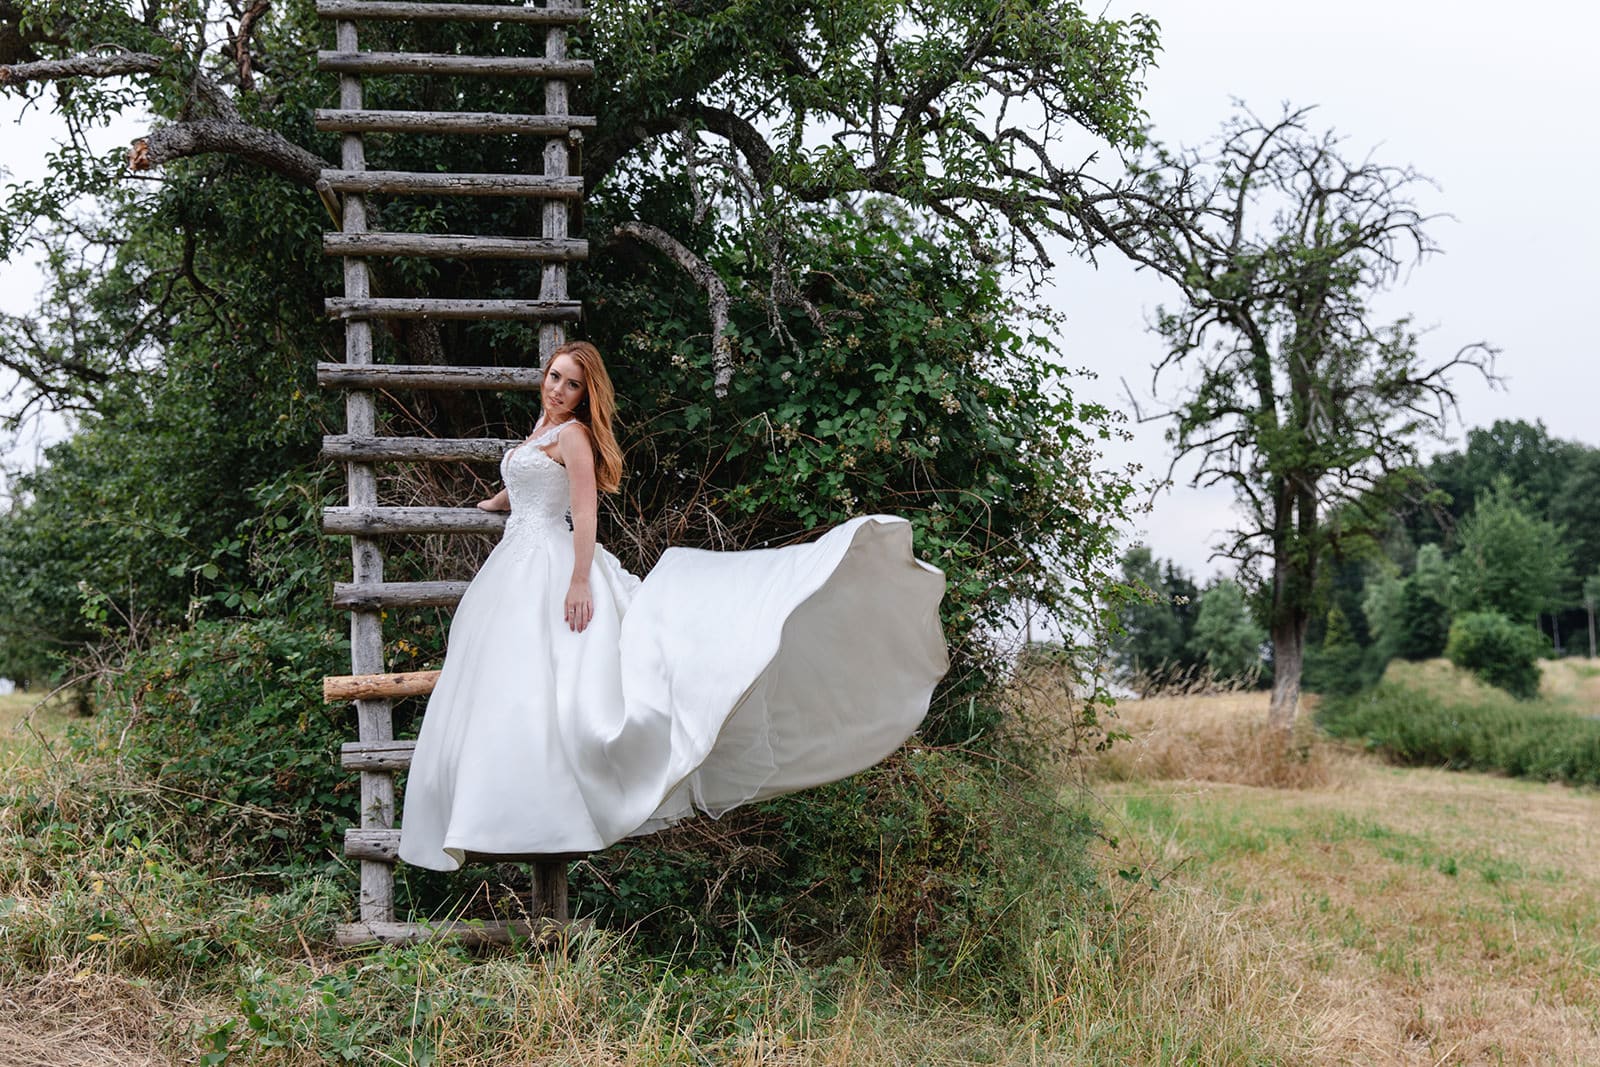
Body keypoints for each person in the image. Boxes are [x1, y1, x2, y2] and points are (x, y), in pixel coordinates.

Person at [398, 341, 949, 871]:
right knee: (509, 681)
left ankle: (556, 801)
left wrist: (579, 581)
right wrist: (494, 501)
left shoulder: (573, 438)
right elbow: (524, 481)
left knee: (565, 683)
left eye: (572, 385)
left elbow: (584, 514)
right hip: (515, 561)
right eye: (554, 377)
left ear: (586, 396)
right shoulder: (540, 430)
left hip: (553, 560)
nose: (559, 390)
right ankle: (500, 803)